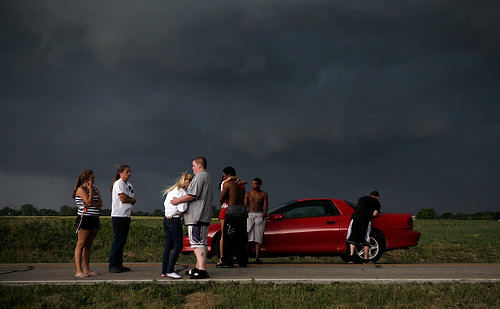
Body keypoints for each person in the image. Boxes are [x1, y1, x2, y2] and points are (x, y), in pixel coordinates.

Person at [171, 157, 213, 279]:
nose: (192, 168)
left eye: (193, 165)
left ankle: (202, 270)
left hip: (197, 216)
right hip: (202, 215)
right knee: (201, 241)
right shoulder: (207, 177)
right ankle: (198, 267)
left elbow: (192, 195)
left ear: (199, 165)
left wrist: (176, 201)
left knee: (197, 243)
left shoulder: (200, 176)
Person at [161, 172, 193, 279]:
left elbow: (167, 204)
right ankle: (170, 270)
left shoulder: (173, 190)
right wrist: (187, 204)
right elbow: (181, 209)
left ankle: (164, 270)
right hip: (175, 220)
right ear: (187, 182)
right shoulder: (183, 193)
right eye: (190, 183)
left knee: (168, 246)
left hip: (166, 219)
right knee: (178, 246)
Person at [72, 169, 102, 278]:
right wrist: (90, 193)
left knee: (88, 244)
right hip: (84, 218)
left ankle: (86, 269)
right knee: (81, 243)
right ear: (86, 179)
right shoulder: (81, 189)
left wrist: (91, 201)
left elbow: (100, 203)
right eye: (91, 178)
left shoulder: (94, 188)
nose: (93, 180)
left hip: (94, 217)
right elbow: (88, 202)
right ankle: (78, 270)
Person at [217, 166, 248, 268]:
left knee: (227, 236)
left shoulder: (227, 184)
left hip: (232, 209)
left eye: (224, 176)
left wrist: (223, 201)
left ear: (229, 175)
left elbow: (221, 199)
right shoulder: (241, 185)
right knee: (241, 236)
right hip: (242, 210)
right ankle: (242, 260)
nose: (224, 178)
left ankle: (227, 261)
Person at [109, 164, 136, 273]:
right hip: (118, 215)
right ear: (120, 173)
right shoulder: (118, 183)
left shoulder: (129, 184)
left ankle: (119, 264)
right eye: (127, 172)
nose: (129, 173)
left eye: (129, 172)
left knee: (122, 241)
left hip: (126, 215)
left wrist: (130, 198)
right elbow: (123, 198)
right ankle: (112, 264)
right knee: (118, 240)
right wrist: (131, 200)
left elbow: (130, 197)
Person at [346, 190, 381, 263]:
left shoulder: (361, 198)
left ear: (370, 195)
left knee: (353, 237)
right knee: (365, 239)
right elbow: (375, 214)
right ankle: (365, 258)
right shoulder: (376, 202)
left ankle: (352, 257)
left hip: (354, 219)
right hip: (365, 220)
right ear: (377, 197)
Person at [245, 177, 268, 264]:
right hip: (250, 215)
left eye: (255, 184)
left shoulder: (263, 194)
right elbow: (245, 206)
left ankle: (257, 258)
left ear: (259, 185)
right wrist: (246, 216)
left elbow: (265, 207)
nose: (253, 185)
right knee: (248, 237)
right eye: (252, 183)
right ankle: (245, 257)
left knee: (258, 238)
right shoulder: (248, 194)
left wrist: (262, 217)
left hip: (259, 215)